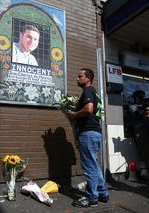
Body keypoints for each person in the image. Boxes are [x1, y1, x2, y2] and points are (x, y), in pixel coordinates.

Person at [67, 68, 109, 208]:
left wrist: (74, 115)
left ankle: (92, 198)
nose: (77, 79)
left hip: (88, 133)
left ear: (88, 79)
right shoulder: (94, 92)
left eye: (80, 76)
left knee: (90, 166)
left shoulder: (88, 91)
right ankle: (103, 193)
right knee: (94, 165)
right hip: (95, 132)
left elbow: (88, 109)